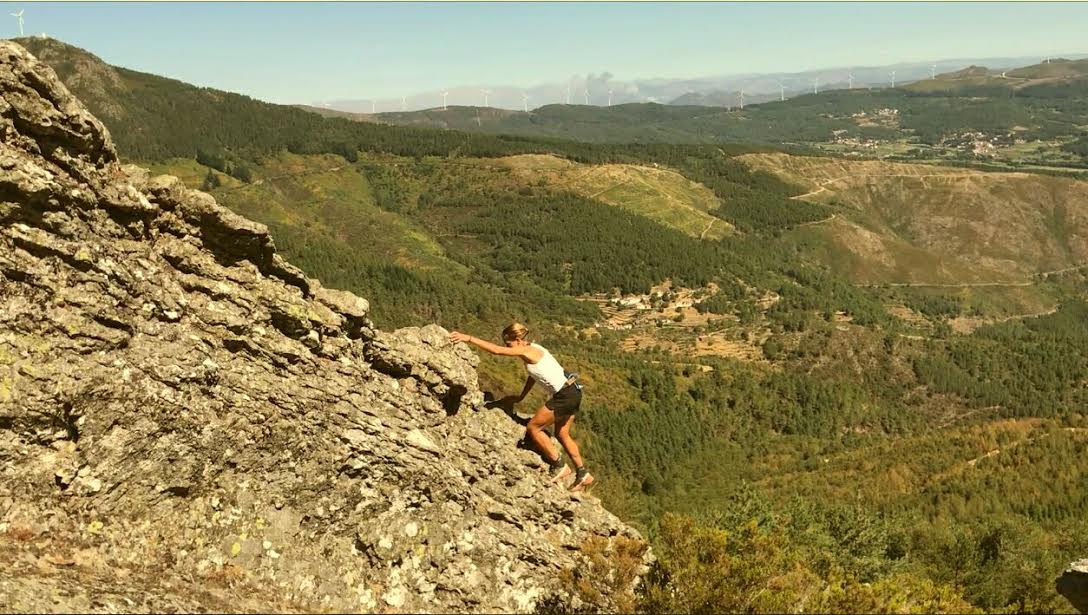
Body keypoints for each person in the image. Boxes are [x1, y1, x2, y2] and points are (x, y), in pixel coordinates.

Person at [450, 323, 594, 492]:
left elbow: (496, 351)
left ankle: (559, 465)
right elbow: (534, 375)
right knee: (562, 434)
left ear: (518, 339)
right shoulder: (535, 348)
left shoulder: (526, 351)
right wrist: (522, 396)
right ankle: (583, 473)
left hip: (564, 395)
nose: (507, 346)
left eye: (509, 343)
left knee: (534, 428)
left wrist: (468, 338)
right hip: (574, 391)